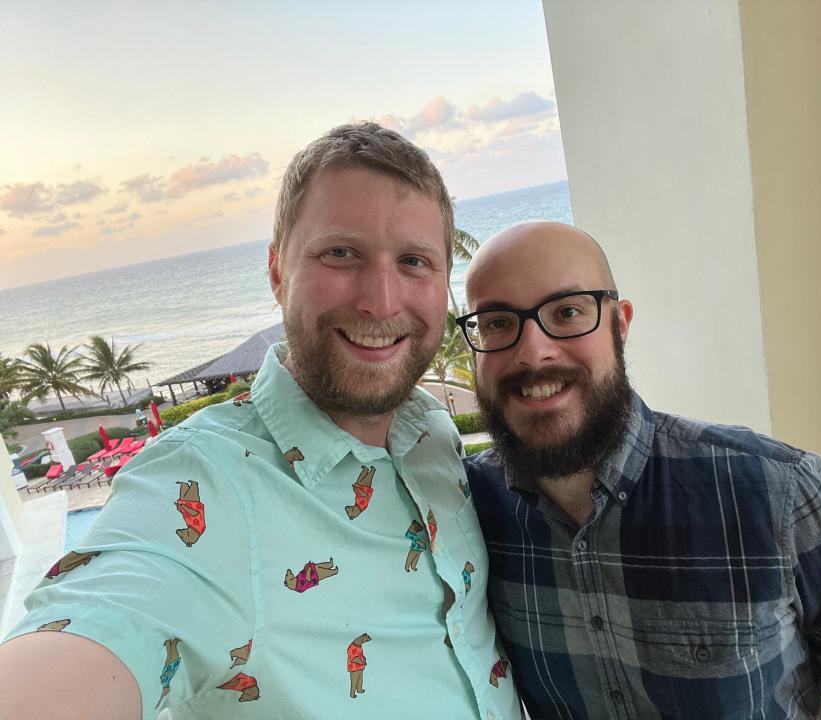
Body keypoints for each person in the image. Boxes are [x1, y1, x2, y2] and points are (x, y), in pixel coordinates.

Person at [0, 123, 521, 720]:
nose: (381, 300)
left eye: (413, 261)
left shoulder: (429, 431)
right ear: (277, 273)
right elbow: (105, 618)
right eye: (341, 253)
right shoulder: (207, 483)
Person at [459, 220, 821, 720]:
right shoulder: (465, 511)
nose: (533, 352)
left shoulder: (780, 493)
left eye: (568, 311)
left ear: (620, 324)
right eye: (497, 323)